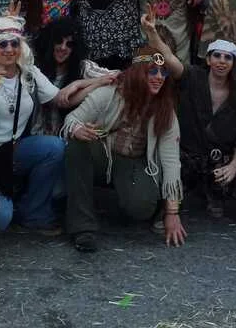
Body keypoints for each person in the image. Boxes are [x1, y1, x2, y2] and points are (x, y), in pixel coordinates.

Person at [0, 14, 81, 234]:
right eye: (3, 44)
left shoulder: (29, 73)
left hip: (13, 151)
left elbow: (61, 98)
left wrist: (93, 83)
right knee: (1, 220)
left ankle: (34, 213)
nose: (9, 49)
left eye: (14, 43)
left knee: (54, 147)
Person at [62, 43, 187, 253]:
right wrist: (77, 129)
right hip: (103, 153)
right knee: (77, 146)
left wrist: (172, 213)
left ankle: (152, 201)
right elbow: (72, 118)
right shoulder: (110, 92)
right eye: (152, 71)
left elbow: (171, 160)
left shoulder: (165, 110)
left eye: (163, 72)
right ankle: (82, 228)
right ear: (139, 73)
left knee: (141, 209)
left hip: (133, 161)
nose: (159, 77)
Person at [143, 7, 236, 218]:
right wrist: (152, 33)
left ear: (233, 64)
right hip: (186, 157)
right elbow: (168, 57)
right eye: (217, 56)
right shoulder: (192, 77)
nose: (222, 61)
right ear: (208, 60)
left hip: (217, 161)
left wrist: (234, 165)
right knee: (166, 177)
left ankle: (214, 194)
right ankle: (174, 202)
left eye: (228, 58)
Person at [31, 17, 117, 137]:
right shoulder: (36, 68)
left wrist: (78, 84)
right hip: (39, 138)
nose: (63, 47)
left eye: (69, 44)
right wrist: (96, 82)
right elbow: (61, 100)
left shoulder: (84, 67)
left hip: (72, 136)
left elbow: (122, 76)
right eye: (58, 41)